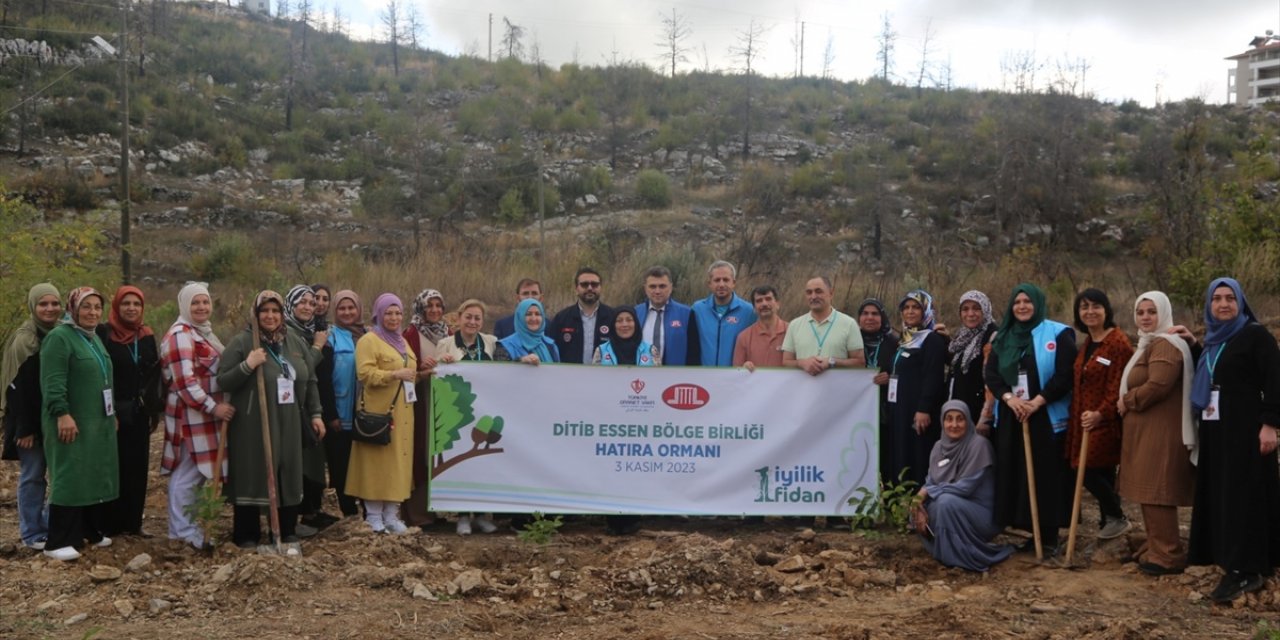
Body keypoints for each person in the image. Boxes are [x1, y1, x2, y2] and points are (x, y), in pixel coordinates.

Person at [1187, 277, 1280, 603]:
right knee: (1224, 494)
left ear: (1241, 302)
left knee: (1246, 495)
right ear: (1209, 305)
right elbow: (1218, 374)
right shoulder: (1213, 340)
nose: (1223, 304)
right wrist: (1193, 344)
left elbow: (1274, 380)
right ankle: (1230, 556)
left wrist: (1270, 424)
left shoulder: (1254, 335)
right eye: (1217, 299)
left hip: (1247, 431)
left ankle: (1248, 569)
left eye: (1230, 298)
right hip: (1217, 431)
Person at [217, 290, 325, 552]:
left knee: (287, 469)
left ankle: (287, 531)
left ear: (282, 314)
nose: (270, 316)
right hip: (253, 423)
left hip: (289, 419)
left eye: (275, 311)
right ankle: (247, 534)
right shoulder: (243, 342)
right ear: (255, 314)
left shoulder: (294, 342)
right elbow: (223, 380)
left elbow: (308, 377)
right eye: (264, 311)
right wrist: (247, 365)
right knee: (254, 471)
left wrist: (316, 413)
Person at [984, 283, 1076, 555]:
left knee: (1045, 474)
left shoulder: (1058, 334)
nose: (1022, 306)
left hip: (1045, 416)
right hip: (1014, 415)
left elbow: (1065, 374)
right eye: (1017, 302)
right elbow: (992, 375)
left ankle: (1048, 536)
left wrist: (1037, 401)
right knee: (1018, 473)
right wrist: (1010, 400)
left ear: (1037, 303)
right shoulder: (1002, 337)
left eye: (1027, 301)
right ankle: (1029, 531)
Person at [1116, 291, 1196, 577]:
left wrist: (1128, 400)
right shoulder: (1148, 343)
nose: (1146, 317)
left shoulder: (1166, 344)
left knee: (1157, 490)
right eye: (1140, 312)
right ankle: (1155, 546)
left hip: (1161, 432)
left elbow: (1159, 385)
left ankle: (1168, 555)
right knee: (1148, 491)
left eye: (1151, 312)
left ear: (1163, 313)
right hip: (1147, 431)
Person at [40, 287, 118, 561]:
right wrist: (62, 413)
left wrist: (112, 414)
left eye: (97, 307)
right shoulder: (60, 338)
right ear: (73, 308)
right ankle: (57, 540)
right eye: (86, 307)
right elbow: (53, 381)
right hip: (69, 420)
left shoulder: (92, 338)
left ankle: (88, 531)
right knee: (70, 474)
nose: (93, 312)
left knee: (91, 472)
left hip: (96, 420)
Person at [159, 282, 234, 550]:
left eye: (205, 302)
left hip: (204, 418)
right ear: (184, 306)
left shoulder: (203, 333)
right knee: (187, 473)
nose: (201, 307)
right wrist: (214, 407)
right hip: (190, 416)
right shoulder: (180, 335)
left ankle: (189, 528)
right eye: (195, 303)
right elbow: (184, 383)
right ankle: (180, 531)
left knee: (199, 473)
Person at [911, 400, 1014, 572]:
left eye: (960, 419)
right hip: (953, 507)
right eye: (949, 419)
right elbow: (932, 480)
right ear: (942, 422)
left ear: (968, 421)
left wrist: (926, 492)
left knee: (944, 502)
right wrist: (918, 502)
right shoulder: (938, 447)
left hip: (982, 514)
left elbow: (965, 488)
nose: (954, 424)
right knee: (916, 507)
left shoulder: (979, 445)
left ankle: (962, 557)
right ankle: (945, 552)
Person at [1064, 289, 1133, 541]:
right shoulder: (1087, 344)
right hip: (1081, 418)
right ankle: (1109, 522)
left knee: (1084, 468)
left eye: (1096, 306)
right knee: (1102, 472)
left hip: (1104, 421)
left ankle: (1117, 516)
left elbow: (1119, 386)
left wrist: (1101, 414)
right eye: (1084, 307)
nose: (1090, 312)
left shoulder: (1117, 342)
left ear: (1106, 310)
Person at [348, 293, 419, 534]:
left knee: (397, 464)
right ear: (378, 314)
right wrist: (393, 375)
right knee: (376, 465)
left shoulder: (402, 342)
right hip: (378, 415)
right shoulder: (369, 340)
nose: (394, 317)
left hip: (403, 414)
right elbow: (365, 374)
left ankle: (391, 515)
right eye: (388, 312)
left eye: (398, 312)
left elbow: (410, 374)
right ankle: (374, 517)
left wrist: (426, 372)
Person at [95, 286, 163, 538]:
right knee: (113, 466)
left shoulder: (146, 335)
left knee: (138, 467)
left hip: (140, 411)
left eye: (136, 304)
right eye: (126, 303)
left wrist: (155, 411)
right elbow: (100, 373)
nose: (131, 308)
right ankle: (109, 524)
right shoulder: (104, 333)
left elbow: (154, 374)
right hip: (112, 411)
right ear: (116, 306)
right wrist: (108, 411)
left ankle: (132, 523)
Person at [1, 283, 60, 550]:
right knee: (33, 475)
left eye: (54, 303)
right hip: (27, 423)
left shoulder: (57, 334)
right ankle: (32, 533)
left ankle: (50, 525)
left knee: (57, 474)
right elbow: (15, 388)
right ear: (33, 306)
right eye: (43, 304)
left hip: (50, 419)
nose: (49, 309)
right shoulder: (25, 340)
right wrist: (24, 429)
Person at [436, 299, 500, 535]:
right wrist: (444, 363)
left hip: (486, 411)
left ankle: (482, 515)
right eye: (468, 317)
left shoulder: (491, 343)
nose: (472, 322)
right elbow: (437, 375)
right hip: (459, 413)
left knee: (483, 464)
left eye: (477, 318)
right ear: (459, 317)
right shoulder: (445, 344)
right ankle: (462, 516)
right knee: (461, 463)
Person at [881, 290, 948, 487]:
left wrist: (923, 409)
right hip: (899, 408)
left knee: (917, 456)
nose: (910, 312)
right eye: (906, 308)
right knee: (900, 454)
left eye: (916, 307)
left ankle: (918, 508)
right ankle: (900, 504)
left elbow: (933, 377)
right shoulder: (904, 339)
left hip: (917, 411)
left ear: (926, 310)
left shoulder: (932, 340)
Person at [283, 285, 335, 533]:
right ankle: (295, 518)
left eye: (311, 303)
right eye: (301, 302)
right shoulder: (285, 332)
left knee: (313, 461)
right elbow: (301, 371)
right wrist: (316, 347)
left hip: (312, 405)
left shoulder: (312, 331)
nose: (307, 307)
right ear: (290, 305)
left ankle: (311, 512)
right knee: (298, 463)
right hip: (293, 407)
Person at [402, 288, 445, 527]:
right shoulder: (411, 334)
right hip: (420, 401)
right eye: (430, 306)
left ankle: (435, 509)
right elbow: (406, 366)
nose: (435, 310)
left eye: (439, 306)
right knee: (420, 451)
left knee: (439, 453)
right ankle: (416, 513)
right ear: (421, 308)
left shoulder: (447, 333)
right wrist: (421, 368)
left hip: (442, 403)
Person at [318, 289, 363, 517]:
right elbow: (324, 379)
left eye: (351, 307)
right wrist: (331, 414)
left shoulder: (368, 334)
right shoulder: (330, 336)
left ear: (359, 309)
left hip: (366, 414)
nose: (347, 312)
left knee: (365, 463)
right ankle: (348, 510)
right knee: (342, 463)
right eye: (342, 308)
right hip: (340, 413)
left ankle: (368, 508)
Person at [781, 276, 866, 375]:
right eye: (809, 292)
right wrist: (802, 363)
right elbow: (786, 362)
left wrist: (832, 361)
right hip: (804, 389)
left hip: (837, 389)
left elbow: (860, 363)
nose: (813, 296)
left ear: (831, 293)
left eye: (818, 291)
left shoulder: (849, 324)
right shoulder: (794, 325)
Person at [945, 291, 997, 428]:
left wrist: (986, 418)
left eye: (976, 308)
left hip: (980, 415)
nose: (970, 314)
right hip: (960, 412)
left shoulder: (992, 336)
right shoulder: (962, 337)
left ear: (985, 309)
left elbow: (993, 381)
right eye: (965, 309)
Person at [691, 260, 756, 367]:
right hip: (704, 378)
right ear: (709, 283)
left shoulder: (749, 311)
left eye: (726, 280)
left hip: (734, 377)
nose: (721, 284)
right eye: (717, 280)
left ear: (733, 282)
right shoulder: (697, 309)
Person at [634, 266, 700, 366]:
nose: (657, 291)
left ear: (670, 287)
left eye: (662, 286)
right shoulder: (635, 313)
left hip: (675, 376)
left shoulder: (686, 314)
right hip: (642, 375)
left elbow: (694, 352)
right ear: (645, 288)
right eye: (652, 286)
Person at [549, 268, 615, 365]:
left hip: (604, 377)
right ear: (576, 289)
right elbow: (552, 352)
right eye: (584, 284)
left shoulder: (613, 317)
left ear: (600, 288)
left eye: (594, 284)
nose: (589, 288)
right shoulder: (561, 318)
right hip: (570, 377)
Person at [733, 286, 787, 371]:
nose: (764, 304)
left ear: (777, 304)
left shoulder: (792, 331)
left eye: (768, 299)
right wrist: (743, 368)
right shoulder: (744, 337)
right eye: (759, 301)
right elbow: (736, 371)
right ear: (754, 308)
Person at [496, 299, 560, 364]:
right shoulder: (505, 346)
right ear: (520, 317)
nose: (533, 318)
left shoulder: (550, 345)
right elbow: (500, 370)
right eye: (528, 314)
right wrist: (521, 361)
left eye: (537, 314)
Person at [594, 307, 658, 366]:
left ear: (636, 323)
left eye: (629, 320)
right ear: (613, 325)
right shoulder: (601, 351)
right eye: (619, 321)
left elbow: (657, 377)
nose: (624, 324)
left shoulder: (651, 350)